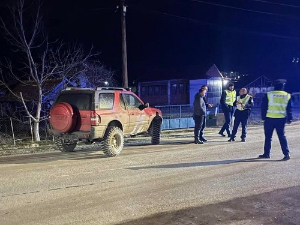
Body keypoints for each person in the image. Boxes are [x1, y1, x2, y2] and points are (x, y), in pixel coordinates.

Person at [259, 79, 292, 161]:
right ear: (283, 86)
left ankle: (266, 154)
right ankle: (286, 154)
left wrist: (263, 117)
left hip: (269, 118)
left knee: (268, 137)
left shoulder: (269, 94)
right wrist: (289, 118)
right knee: (282, 136)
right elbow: (289, 109)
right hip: (281, 119)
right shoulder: (287, 95)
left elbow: (263, 107)